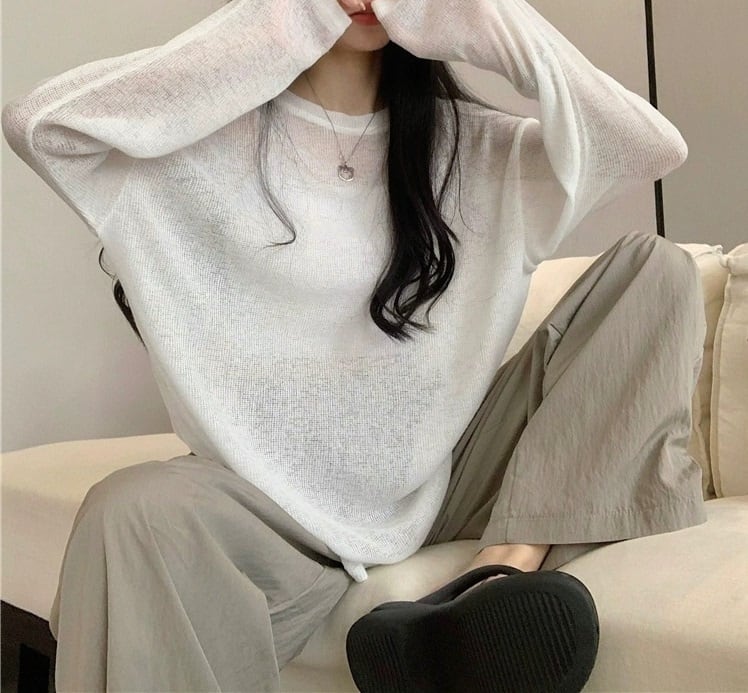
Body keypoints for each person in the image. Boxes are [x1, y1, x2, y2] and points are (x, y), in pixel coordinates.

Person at [1, 0, 707, 690]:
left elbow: (651, 145)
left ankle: (495, 578)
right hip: (265, 506)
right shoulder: (190, 151)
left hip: (446, 474)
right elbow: (41, 124)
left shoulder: (483, 152)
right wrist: (285, 21)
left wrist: (480, 17)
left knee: (658, 272)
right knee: (129, 509)